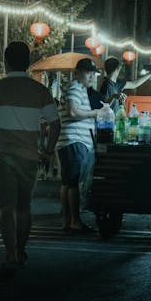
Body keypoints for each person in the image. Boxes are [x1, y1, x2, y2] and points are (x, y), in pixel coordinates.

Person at [0, 41, 60, 270]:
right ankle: (21, 249)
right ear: (27, 63)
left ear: (6, 62)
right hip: (29, 156)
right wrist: (47, 151)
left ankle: (10, 255)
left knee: (6, 208)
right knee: (24, 207)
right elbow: (55, 125)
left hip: (1, 156)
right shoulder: (40, 91)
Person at [57, 57, 101, 235]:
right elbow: (73, 111)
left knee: (68, 182)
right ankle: (75, 221)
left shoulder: (77, 88)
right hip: (74, 140)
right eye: (88, 72)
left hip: (70, 141)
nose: (92, 76)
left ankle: (68, 221)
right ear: (78, 73)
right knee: (73, 183)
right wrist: (94, 113)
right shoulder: (75, 87)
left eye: (93, 73)